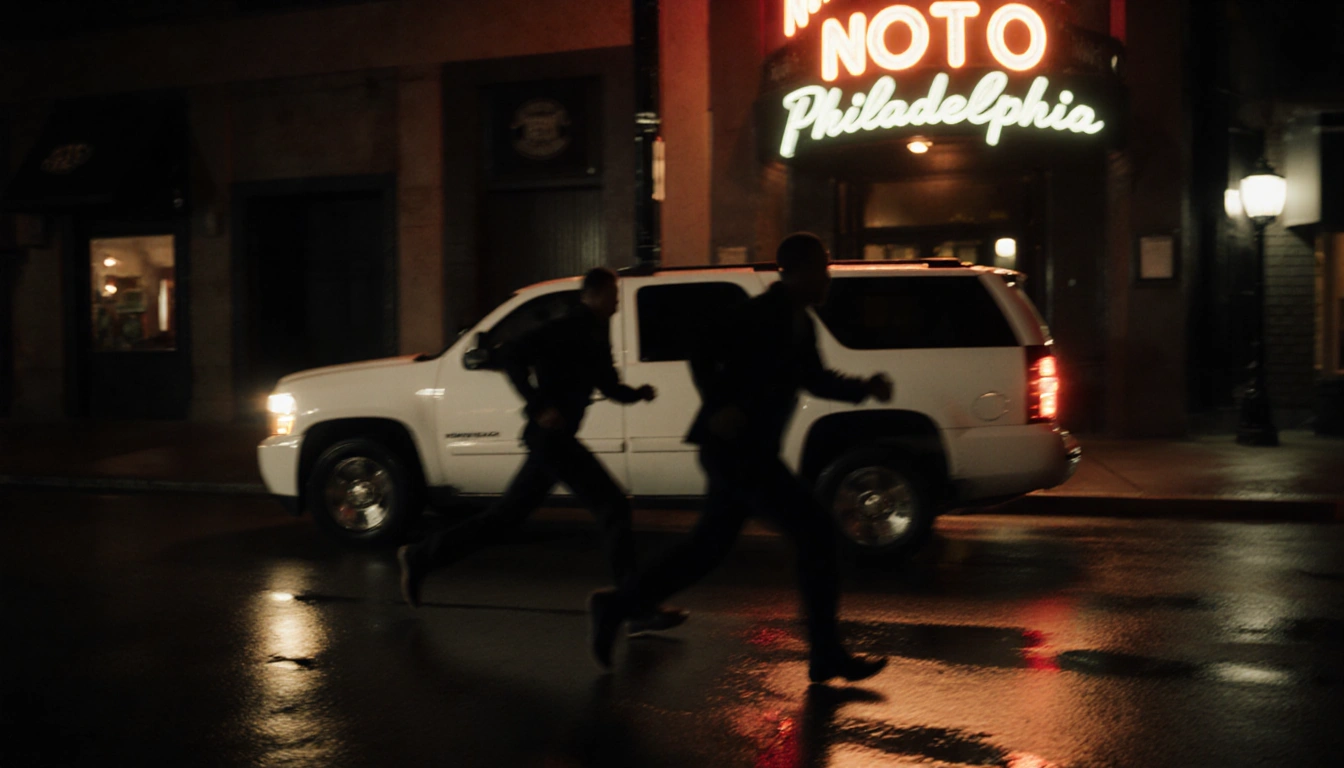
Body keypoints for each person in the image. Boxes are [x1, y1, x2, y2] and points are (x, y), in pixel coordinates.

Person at [588, 233, 893, 684]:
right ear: (796, 271)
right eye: (821, 269)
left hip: (747, 451)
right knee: (816, 535)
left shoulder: (799, 321)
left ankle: (617, 604)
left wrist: (863, 388)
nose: (827, 278)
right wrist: (718, 405)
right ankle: (826, 653)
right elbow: (701, 350)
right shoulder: (759, 313)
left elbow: (814, 378)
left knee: (706, 549)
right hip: (737, 451)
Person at [398, 267, 687, 636]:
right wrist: (537, 405)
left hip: (555, 440)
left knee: (504, 518)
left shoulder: (597, 332)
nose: (617, 303)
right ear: (594, 294)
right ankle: (632, 608)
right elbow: (512, 355)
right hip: (553, 439)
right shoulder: (566, 327)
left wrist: (637, 394)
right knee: (612, 506)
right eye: (613, 295)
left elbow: (608, 385)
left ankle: (420, 557)